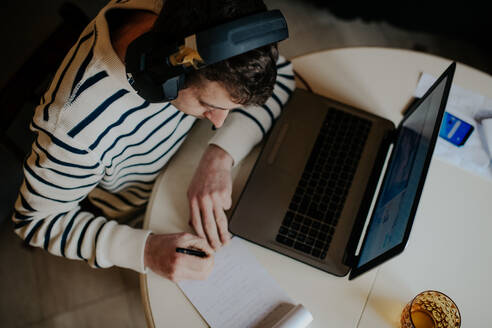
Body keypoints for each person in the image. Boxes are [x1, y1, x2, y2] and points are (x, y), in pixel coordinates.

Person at [12, 0, 295, 282]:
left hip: (196, 158)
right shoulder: (73, 131)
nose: (219, 122)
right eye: (208, 105)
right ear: (161, 72)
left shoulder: (206, 27)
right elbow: (36, 221)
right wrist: (147, 251)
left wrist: (219, 156)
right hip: (142, 208)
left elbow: (282, 74)